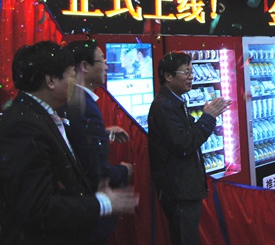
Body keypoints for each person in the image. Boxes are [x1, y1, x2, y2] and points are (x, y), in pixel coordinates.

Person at [0, 41, 138, 245]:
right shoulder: (23, 126)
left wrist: (102, 134)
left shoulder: (35, 114)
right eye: (72, 75)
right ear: (51, 80)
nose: (75, 84)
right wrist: (103, 203)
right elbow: (38, 207)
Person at [148, 51, 232, 245]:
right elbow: (184, 144)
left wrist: (206, 116)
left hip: (185, 188)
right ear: (168, 76)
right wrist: (208, 118)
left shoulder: (175, 101)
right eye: (186, 72)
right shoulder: (164, 106)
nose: (191, 76)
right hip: (179, 191)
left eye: (192, 71)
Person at [60, 40, 134, 245]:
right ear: (84, 66)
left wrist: (102, 133)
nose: (107, 66)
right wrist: (123, 171)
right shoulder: (82, 104)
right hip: (87, 215)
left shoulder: (70, 99)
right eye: (102, 60)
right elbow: (92, 169)